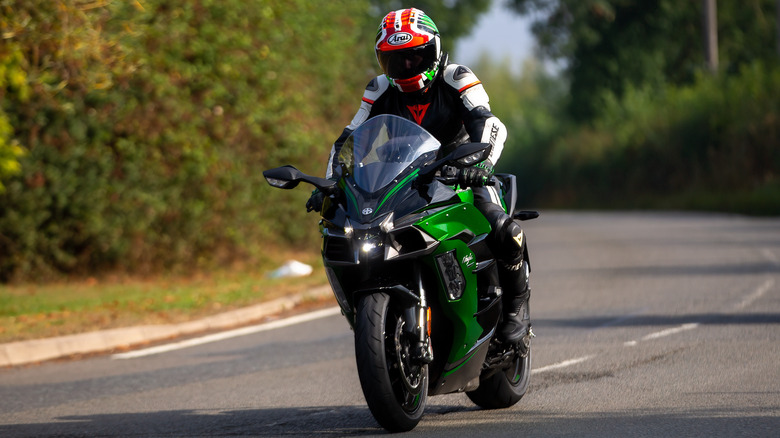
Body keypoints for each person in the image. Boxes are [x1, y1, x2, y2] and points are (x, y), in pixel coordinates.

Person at [308, 8, 530, 347]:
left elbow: (491, 124)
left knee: (503, 228)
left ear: (435, 51)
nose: (408, 66)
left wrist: (480, 167)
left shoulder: (456, 77)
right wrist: (331, 182)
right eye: (397, 60)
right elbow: (348, 141)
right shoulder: (379, 88)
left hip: (459, 172)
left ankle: (516, 309)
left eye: (415, 55)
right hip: (403, 178)